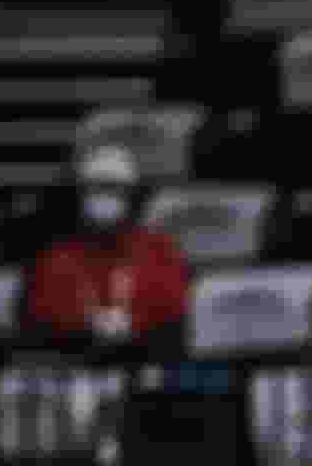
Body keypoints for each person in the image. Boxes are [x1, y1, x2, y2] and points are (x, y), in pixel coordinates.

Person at [17, 146, 193, 352]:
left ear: (132, 194)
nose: (104, 197)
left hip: (147, 355)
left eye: (113, 188)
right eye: (95, 188)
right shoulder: (55, 255)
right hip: (75, 356)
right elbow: (39, 311)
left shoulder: (160, 250)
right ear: (80, 194)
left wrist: (133, 323)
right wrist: (86, 324)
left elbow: (175, 307)